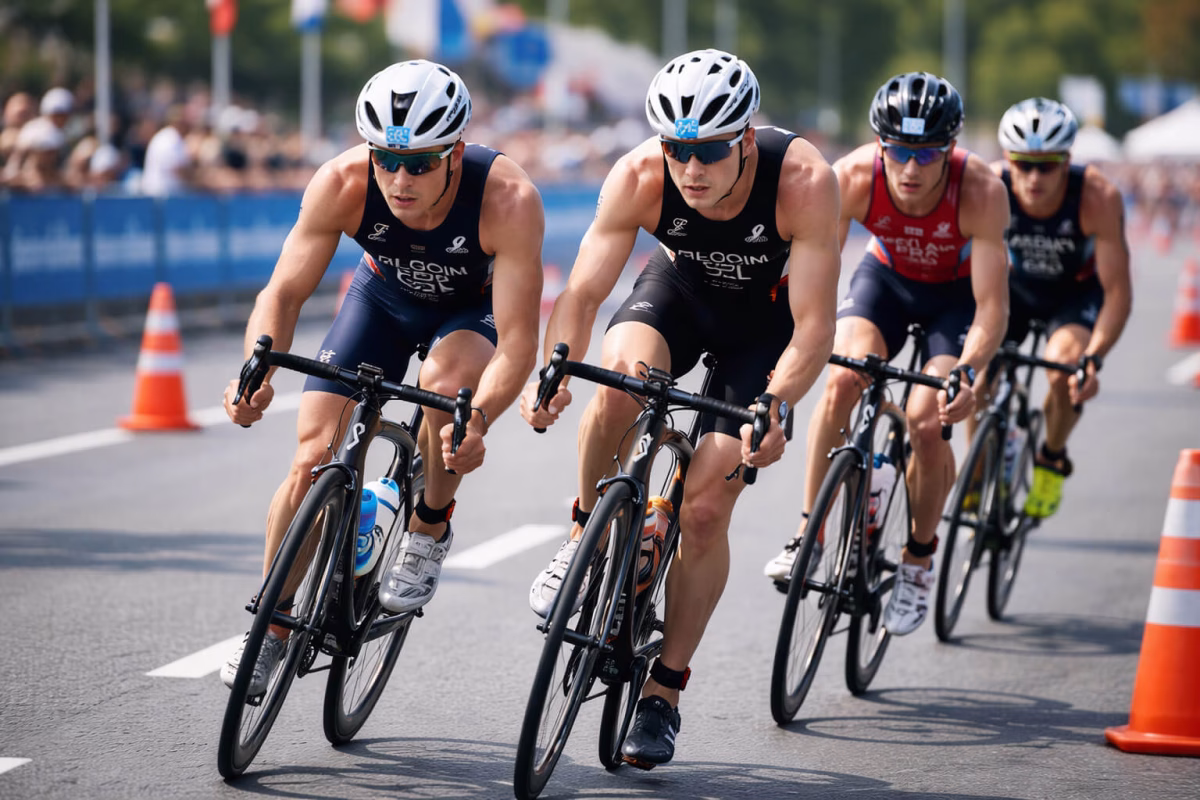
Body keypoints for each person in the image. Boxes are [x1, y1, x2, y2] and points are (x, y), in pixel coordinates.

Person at [521, 49, 840, 767]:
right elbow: (579, 293)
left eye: (708, 151)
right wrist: (555, 367)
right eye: (676, 149)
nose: (689, 168)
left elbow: (816, 325)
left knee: (702, 509)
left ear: (747, 139)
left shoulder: (804, 182)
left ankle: (663, 693)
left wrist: (776, 404)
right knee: (617, 386)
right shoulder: (640, 174)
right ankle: (585, 536)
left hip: (763, 329)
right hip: (679, 295)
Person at [220, 60, 544, 692]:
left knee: (444, 386)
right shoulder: (342, 181)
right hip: (382, 300)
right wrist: (255, 365)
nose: (399, 179)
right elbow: (281, 294)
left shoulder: (507, 199)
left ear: (454, 152)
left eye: (420, 163)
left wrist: (476, 419)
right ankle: (273, 628)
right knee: (312, 457)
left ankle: (427, 525)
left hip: (469, 310)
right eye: (386, 160)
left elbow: (520, 346)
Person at [763, 72, 1011, 637]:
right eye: (898, 150)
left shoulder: (981, 191)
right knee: (841, 382)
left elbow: (993, 307)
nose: (912, 167)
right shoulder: (850, 178)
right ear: (880, 145)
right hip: (887, 283)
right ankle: (811, 533)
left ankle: (920, 560)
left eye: (927, 154)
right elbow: (812, 272)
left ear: (949, 148)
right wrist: (798, 342)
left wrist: (970, 371)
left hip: (956, 298)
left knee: (928, 420)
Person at [990, 97, 1131, 517]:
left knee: (1062, 369)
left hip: (1073, 294)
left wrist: (1094, 358)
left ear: (1067, 160)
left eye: (1047, 165)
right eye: (1023, 164)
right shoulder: (989, 187)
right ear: (1006, 160)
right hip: (1014, 290)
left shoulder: (1097, 197)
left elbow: (1119, 292)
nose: (1034, 178)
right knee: (978, 375)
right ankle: (981, 468)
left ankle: (1051, 458)